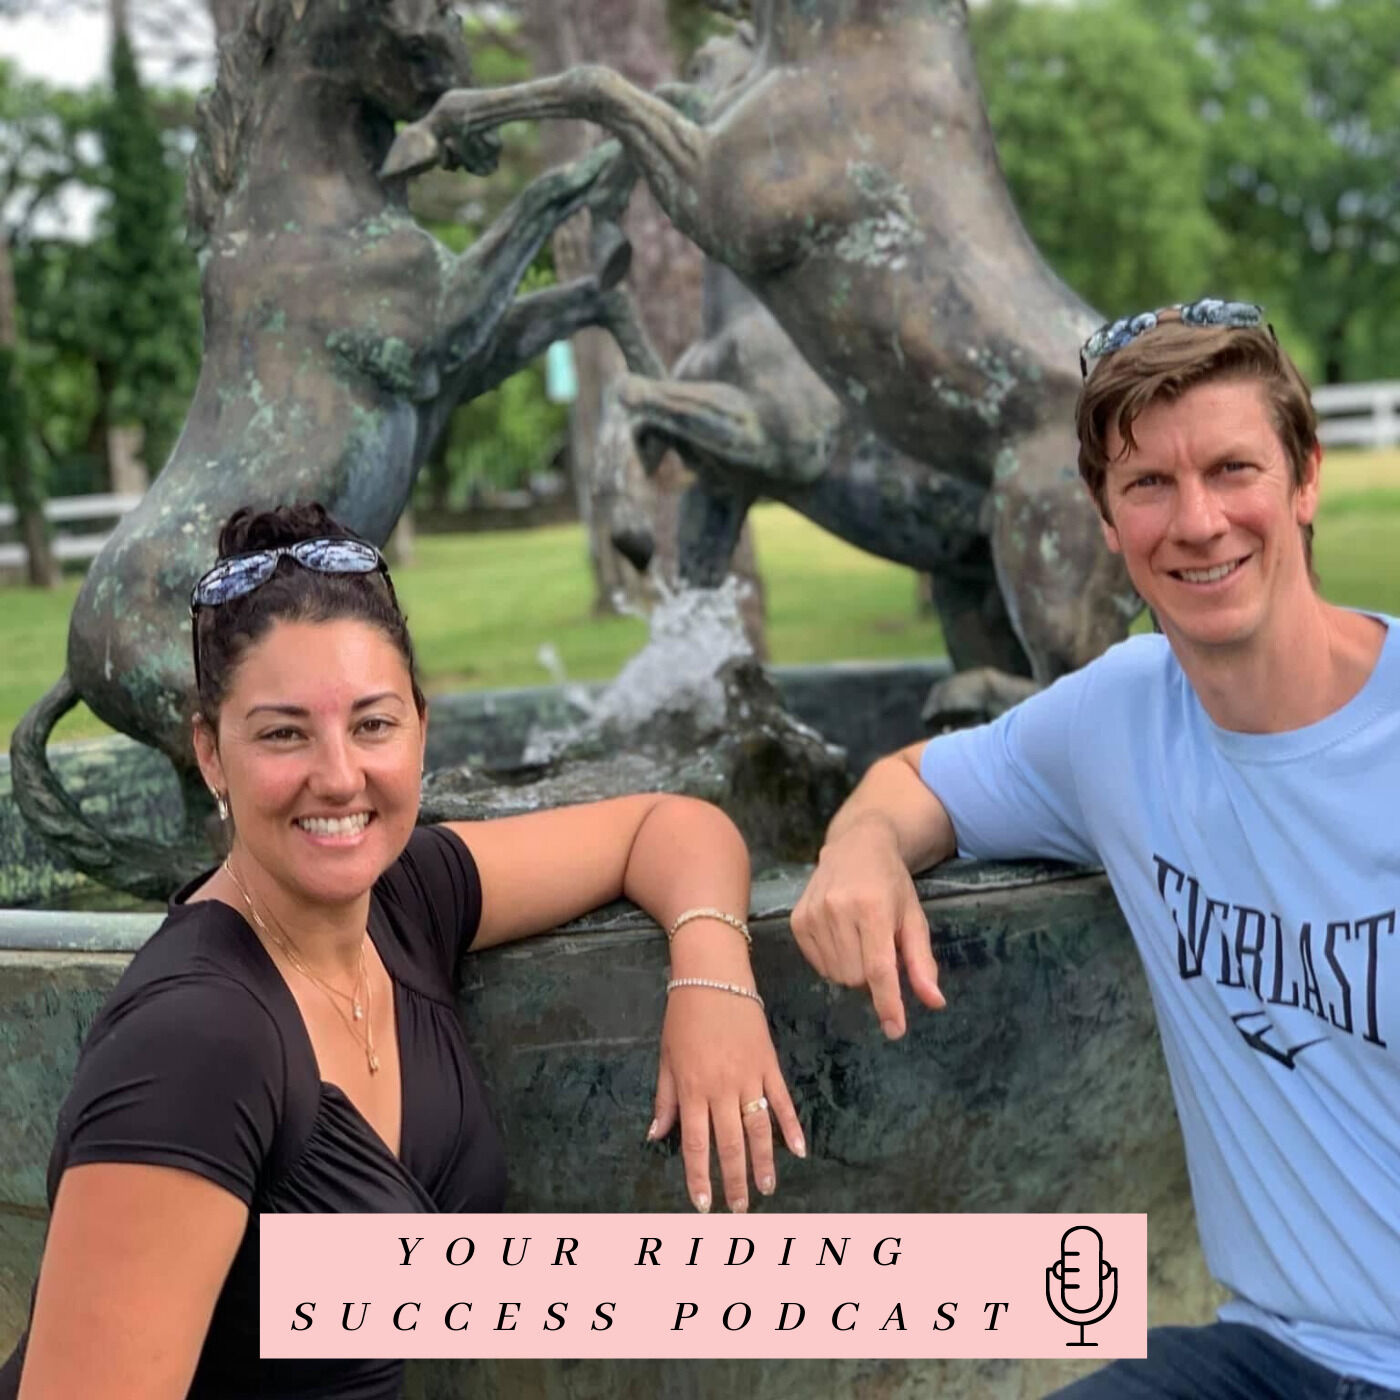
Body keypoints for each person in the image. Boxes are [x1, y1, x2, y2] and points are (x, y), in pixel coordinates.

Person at [2, 502, 805, 1400]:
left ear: (420, 728)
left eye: (372, 725)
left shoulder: (405, 900)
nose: (339, 775)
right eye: (283, 733)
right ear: (211, 754)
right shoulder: (195, 1046)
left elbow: (670, 825)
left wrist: (714, 980)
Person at [791, 301, 1400, 1397]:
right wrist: (861, 849)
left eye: (1232, 469)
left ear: (1304, 478)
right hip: (1271, 1354)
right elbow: (911, 783)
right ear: (1105, 518)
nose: (1197, 521)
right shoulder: (1117, 716)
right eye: (1149, 484)